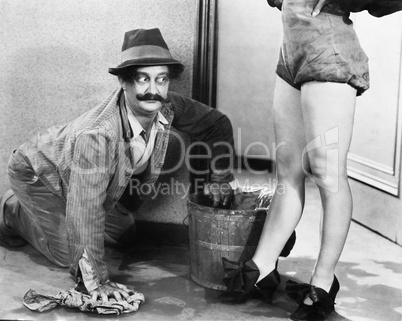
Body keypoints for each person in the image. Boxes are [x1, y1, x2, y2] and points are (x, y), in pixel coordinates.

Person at [0, 28, 234, 304]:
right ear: (124, 82)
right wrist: (95, 279)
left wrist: (220, 177)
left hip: (74, 179)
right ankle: (9, 210)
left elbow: (217, 124)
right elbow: (86, 207)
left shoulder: (167, 105)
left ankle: (55, 213)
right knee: (69, 255)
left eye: (162, 79)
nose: (153, 90)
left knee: (125, 234)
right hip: (37, 171)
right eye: (142, 79)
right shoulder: (98, 136)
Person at [220, 0, 402, 320]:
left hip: (328, 49)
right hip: (290, 53)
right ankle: (263, 266)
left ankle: (323, 280)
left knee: (326, 172)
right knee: (288, 172)